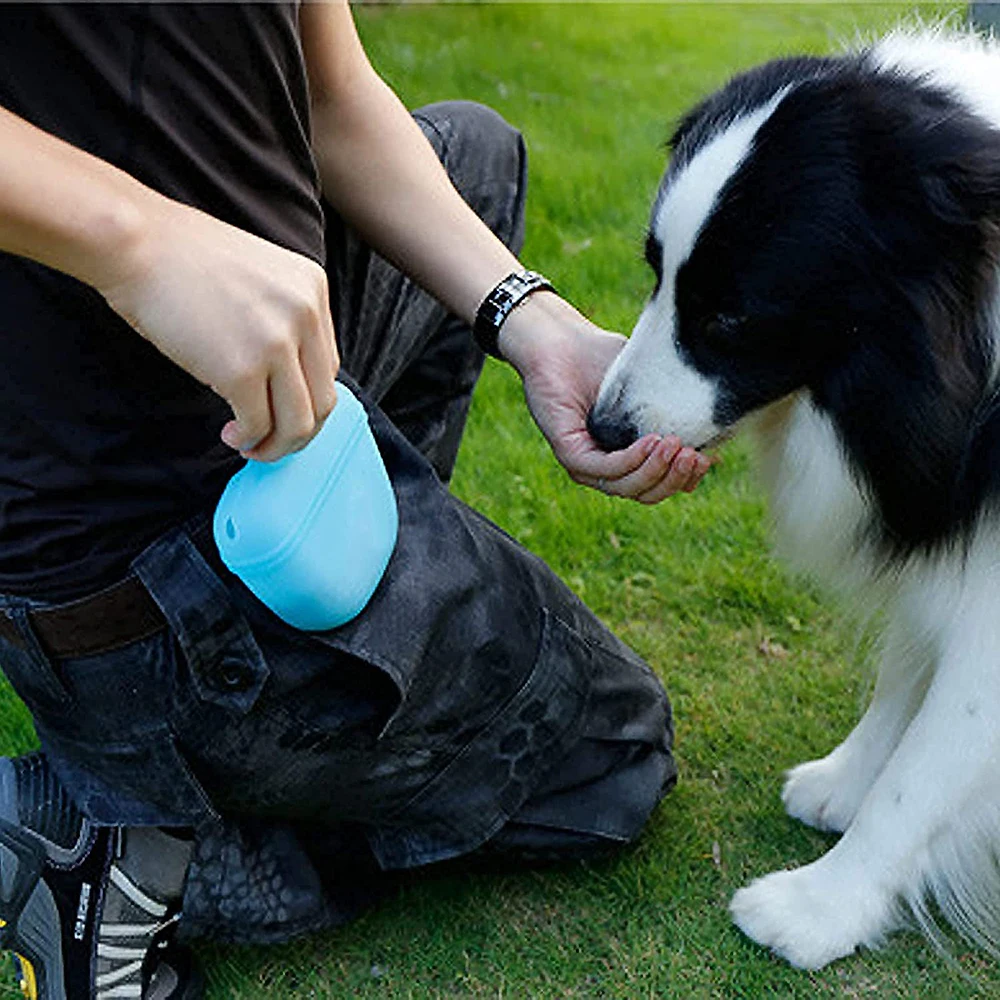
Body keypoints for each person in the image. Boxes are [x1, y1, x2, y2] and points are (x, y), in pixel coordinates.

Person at [0, 4, 712, 998]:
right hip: (132, 532)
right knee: (613, 752)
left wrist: (529, 317)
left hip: (275, 390)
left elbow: (334, 93)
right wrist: (139, 243)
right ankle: (119, 833)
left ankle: (360, 635)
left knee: (473, 153)